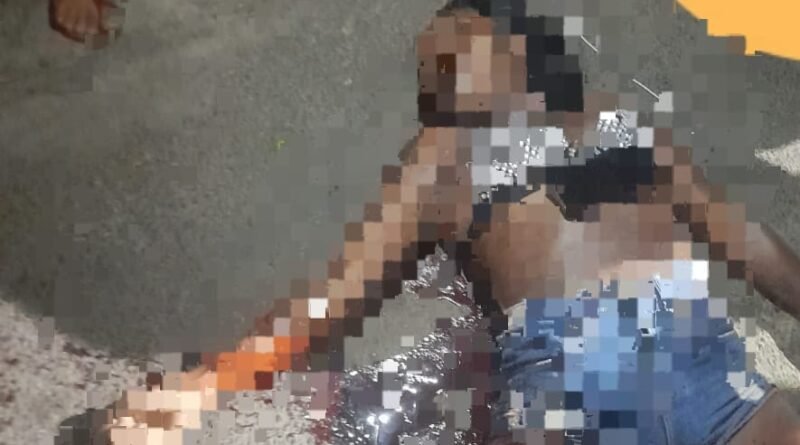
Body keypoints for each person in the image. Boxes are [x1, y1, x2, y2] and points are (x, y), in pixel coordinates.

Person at [89, 1, 800, 444]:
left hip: (706, 368)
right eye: (426, 75)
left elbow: (745, 242)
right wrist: (204, 386)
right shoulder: (442, 158)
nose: (431, 79)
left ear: (521, 48)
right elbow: (332, 300)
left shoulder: (616, 118)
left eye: (450, 53)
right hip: (569, 389)